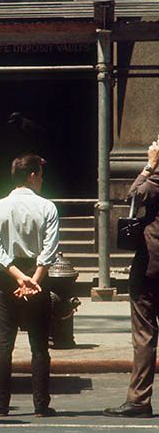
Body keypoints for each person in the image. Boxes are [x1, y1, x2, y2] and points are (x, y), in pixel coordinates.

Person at [0, 154, 59, 418]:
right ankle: (40, 405)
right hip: (37, 275)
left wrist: (17, 277)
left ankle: (1, 405)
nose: (41, 180)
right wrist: (33, 280)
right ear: (31, 176)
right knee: (39, 345)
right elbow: (49, 249)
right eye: (40, 175)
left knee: (4, 343)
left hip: (8, 277)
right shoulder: (48, 207)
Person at [104, 136, 159, 419]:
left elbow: (132, 196)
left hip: (152, 266)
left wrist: (149, 166)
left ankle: (138, 400)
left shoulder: (154, 179)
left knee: (145, 333)